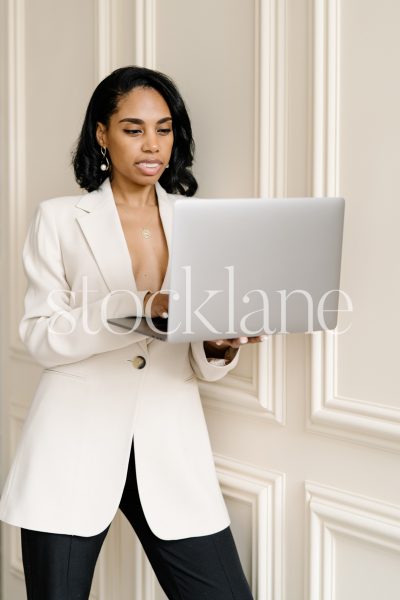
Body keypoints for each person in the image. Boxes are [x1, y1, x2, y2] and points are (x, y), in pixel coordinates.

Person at [0, 66, 266, 599]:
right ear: (102, 133)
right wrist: (139, 306)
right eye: (133, 128)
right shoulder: (58, 218)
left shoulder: (200, 222)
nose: (152, 144)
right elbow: (42, 336)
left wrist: (216, 344)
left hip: (171, 443)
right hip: (70, 444)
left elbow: (196, 352)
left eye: (164, 129)